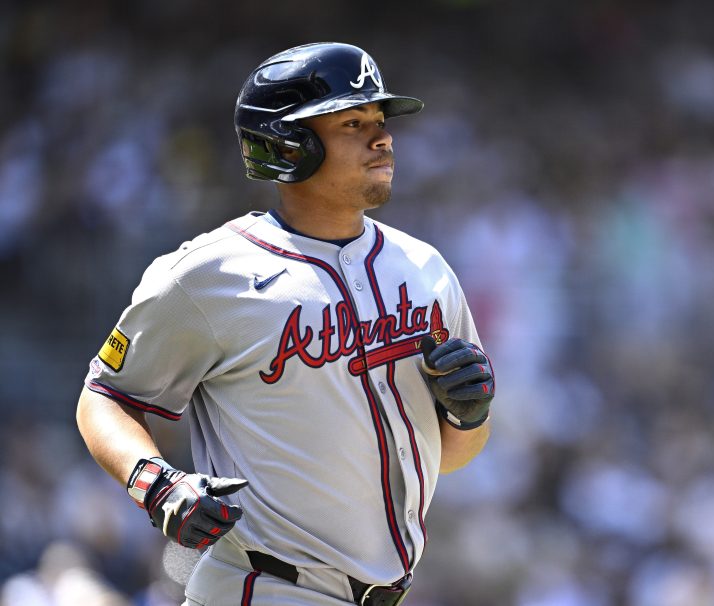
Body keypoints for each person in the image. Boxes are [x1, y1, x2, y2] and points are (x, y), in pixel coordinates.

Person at [75, 42, 495, 606]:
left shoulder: (424, 269)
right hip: (264, 589)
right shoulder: (210, 274)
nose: (382, 137)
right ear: (288, 143)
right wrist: (155, 482)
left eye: (379, 120)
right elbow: (105, 395)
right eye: (352, 122)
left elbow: (454, 453)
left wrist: (469, 416)